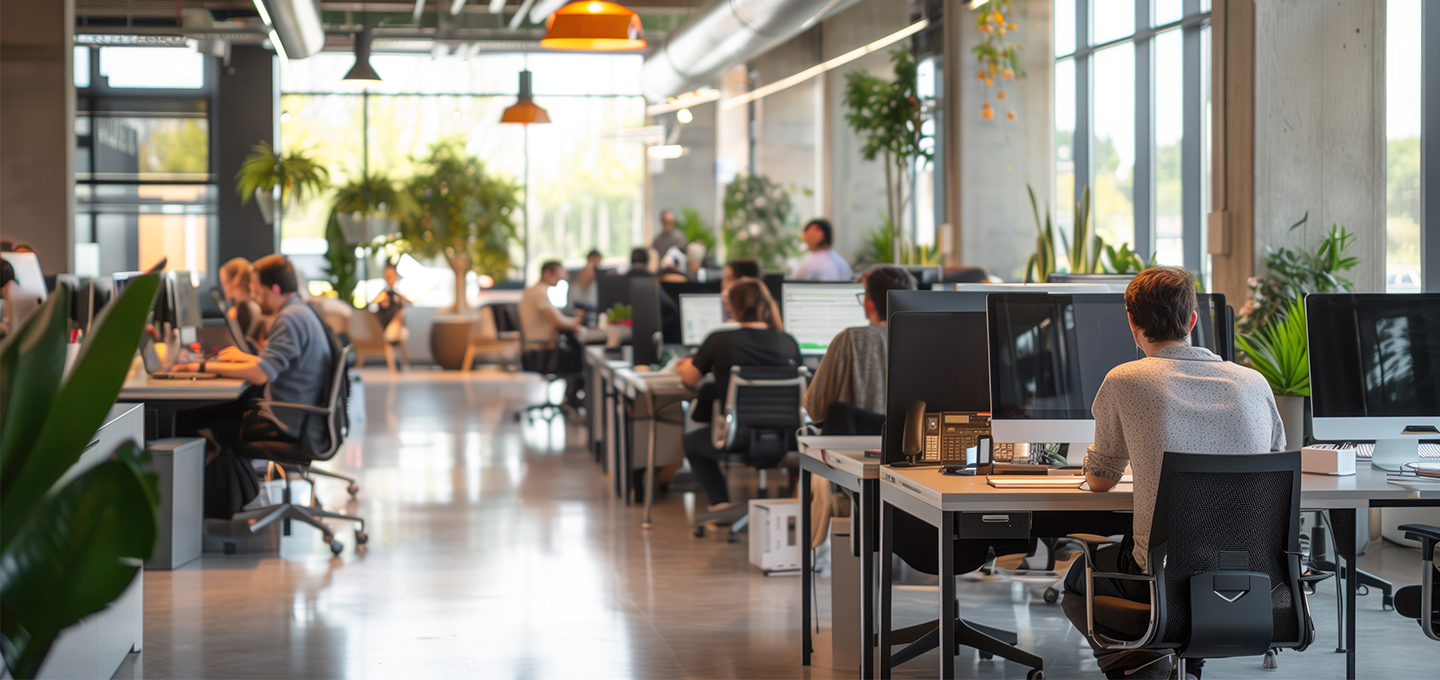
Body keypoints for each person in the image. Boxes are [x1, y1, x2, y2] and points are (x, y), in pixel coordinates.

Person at [1061, 266, 1286, 680]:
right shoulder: (1254, 383)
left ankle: (1138, 665)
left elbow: (1099, 480)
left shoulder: (1125, 379)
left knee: (1078, 578)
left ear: (1132, 321)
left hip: (1162, 579)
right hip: (1250, 579)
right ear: (1193, 321)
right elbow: (1270, 472)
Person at [171, 255, 336, 516]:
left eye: (258, 291)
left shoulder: (289, 319)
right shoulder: (302, 311)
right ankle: (225, 493)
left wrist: (202, 366)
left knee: (187, 420)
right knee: (221, 410)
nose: (256, 299)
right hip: (303, 416)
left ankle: (197, 508)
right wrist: (244, 358)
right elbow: (274, 363)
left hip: (287, 422)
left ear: (275, 289)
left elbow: (260, 375)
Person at [675, 278, 800, 512]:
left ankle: (721, 505)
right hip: (785, 440)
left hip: (736, 439)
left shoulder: (720, 340)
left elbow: (690, 379)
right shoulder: (788, 342)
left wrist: (681, 366)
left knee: (691, 442)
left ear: (731, 306)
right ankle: (793, 506)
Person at [803, 266, 915, 432]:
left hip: (850, 453)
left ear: (869, 304)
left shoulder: (849, 340)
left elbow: (815, 407)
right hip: (909, 452)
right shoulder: (926, 341)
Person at [219, 257, 269, 346]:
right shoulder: (252, 306)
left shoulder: (245, 309)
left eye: (225, 282)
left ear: (235, 281)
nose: (223, 288)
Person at [370, 260, 410, 347]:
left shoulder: (398, 295)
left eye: (391, 275)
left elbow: (404, 306)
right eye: (387, 275)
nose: (390, 278)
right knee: (388, 339)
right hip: (383, 327)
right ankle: (391, 360)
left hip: (395, 327)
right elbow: (371, 305)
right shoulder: (383, 294)